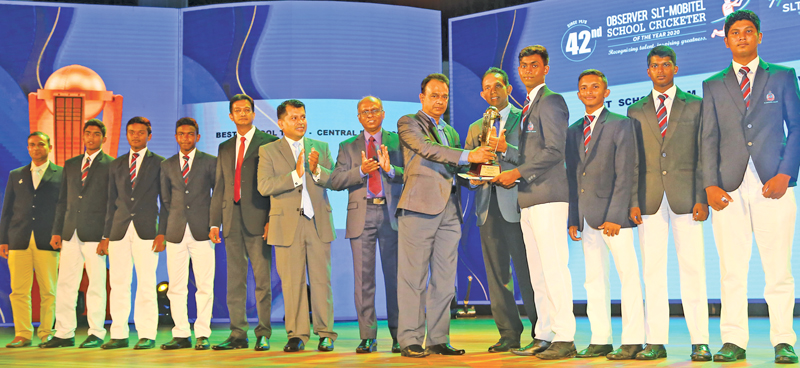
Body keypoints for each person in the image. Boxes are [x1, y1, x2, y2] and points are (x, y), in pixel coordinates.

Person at [701, 10, 800, 364]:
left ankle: (784, 341)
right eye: (735, 33)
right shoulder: (712, 85)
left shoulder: (785, 76)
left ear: (759, 37)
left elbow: (797, 127)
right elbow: (707, 138)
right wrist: (709, 185)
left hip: (773, 184)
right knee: (731, 270)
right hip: (728, 189)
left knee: (778, 269)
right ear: (726, 40)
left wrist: (786, 174)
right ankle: (733, 341)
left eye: (748, 31)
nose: (742, 36)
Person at [395, 73, 496, 358]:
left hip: (450, 211)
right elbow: (428, 150)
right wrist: (469, 156)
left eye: (444, 96)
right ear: (422, 98)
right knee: (412, 278)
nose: (440, 101)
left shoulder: (450, 131)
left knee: (445, 278)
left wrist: (471, 178)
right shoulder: (408, 123)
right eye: (434, 96)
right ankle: (411, 340)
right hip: (418, 209)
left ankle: (438, 338)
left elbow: (454, 167)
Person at [491, 46, 577, 360]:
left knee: (554, 269)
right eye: (523, 66)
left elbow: (555, 151)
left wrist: (517, 171)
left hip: (549, 196)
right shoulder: (527, 104)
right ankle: (544, 334)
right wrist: (506, 153)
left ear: (545, 68)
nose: (527, 70)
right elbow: (530, 153)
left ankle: (565, 336)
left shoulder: (551, 100)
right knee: (538, 272)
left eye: (534, 65)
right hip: (529, 198)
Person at [627, 45, 711, 361]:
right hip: (649, 200)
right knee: (653, 271)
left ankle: (700, 341)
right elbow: (633, 160)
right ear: (648, 71)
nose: (660, 69)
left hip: (688, 198)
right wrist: (633, 200)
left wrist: (703, 196)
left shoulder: (696, 105)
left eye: (665, 64)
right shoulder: (635, 110)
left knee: (693, 270)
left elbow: (704, 153)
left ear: (675, 68)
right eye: (654, 65)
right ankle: (656, 341)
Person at [566, 70, 644, 360]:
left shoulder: (622, 124)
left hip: (615, 218)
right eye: (583, 87)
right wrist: (573, 217)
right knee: (593, 279)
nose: (589, 91)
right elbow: (574, 177)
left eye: (594, 86)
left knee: (628, 276)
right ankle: (600, 338)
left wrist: (616, 215)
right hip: (586, 217)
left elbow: (626, 172)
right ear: (578, 94)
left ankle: (634, 339)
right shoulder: (573, 130)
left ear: (606, 91)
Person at [464, 67, 539, 354]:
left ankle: (540, 330)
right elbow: (470, 166)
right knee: (497, 275)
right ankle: (508, 333)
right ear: (482, 93)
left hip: (517, 205)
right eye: (486, 87)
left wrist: (505, 148)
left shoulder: (525, 120)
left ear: (508, 88)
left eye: (497, 86)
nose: (492, 91)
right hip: (486, 206)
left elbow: (530, 160)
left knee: (527, 272)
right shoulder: (475, 127)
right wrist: (472, 178)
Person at [257, 99, 338, 353]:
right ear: (280, 123)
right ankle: (297, 335)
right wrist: (296, 175)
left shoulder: (320, 147)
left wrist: (316, 171)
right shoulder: (268, 151)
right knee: (292, 283)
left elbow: (334, 180)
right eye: (294, 118)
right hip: (286, 226)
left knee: (321, 282)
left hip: (317, 223)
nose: (300, 121)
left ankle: (326, 333)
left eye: (303, 116)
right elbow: (264, 186)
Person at [330, 96, 403, 354]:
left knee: (395, 279)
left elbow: (412, 174)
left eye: (374, 110)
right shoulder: (347, 146)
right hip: (361, 216)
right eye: (365, 112)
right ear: (358, 117)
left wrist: (391, 169)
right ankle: (368, 336)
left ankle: (399, 335)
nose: (370, 114)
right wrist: (360, 171)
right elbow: (336, 180)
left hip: (392, 215)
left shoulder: (398, 141)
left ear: (383, 113)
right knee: (364, 280)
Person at [209, 94, 277, 351]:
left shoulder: (268, 143)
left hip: (259, 219)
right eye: (237, 110)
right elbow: (220, 186)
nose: (242, 114)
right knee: (234, 281)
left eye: (247, 109)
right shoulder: (225, 147)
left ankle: (264, 333)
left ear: (253, 113)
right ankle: (238, 334)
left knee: (262, 280)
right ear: (231, 116)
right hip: (231, 221)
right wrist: (215, 223)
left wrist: (271, 219)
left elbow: (273, 188)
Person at [43, 120, 113, 349]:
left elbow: (112, 203)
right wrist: (56, 231)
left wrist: (107, 235)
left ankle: (96, 332)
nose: (91, 138)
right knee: (65, 284)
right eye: (87, 134)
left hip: (95, 234)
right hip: (70, 232)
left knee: (96, 284)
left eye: (96, 134)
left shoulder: (111, 165)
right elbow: (63, 200)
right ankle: (64, 332)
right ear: (82, 137)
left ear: (103, 138)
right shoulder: (71, 164)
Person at [99, 117, 166, 350]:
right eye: (131, 132)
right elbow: (110, 203)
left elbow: (166, 202)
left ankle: (147, 333)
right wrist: (105, 235)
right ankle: (118, 334)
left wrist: (163, 232)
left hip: (147, 230)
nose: (135, 136)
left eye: (140, 132)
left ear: (149, 135)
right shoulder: (115, 165)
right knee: (118, 283)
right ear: (126, 135)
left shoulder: (160, 163)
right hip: (118, 230)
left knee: (147, 283)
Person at [0, 132, 62, 348]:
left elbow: (64, 208)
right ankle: (23, 334)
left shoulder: (61, 174)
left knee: (49, 291)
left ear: (50, 147)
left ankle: (47, 332)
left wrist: (59, 233)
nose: (36, 148)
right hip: (19, 238)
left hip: (48, 239)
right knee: (18, 290)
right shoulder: (16, 174)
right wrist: (3, 240)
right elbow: (7, 209)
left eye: (41, 144)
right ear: (28, 148)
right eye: (32, 145)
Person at [159, 118, 217, 350]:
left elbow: (217, 196)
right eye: (181, 134)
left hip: (202, 231)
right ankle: (181, 333)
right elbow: (165, 200)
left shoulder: (210, 162)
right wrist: (163, 231)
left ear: (197, 137)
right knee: (176, 286)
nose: (186, 138)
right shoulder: (167, 165)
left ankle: (203, 333)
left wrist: (214, 225)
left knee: (204, 285)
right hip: (175, 231)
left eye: (190, 134)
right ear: (176, 137)